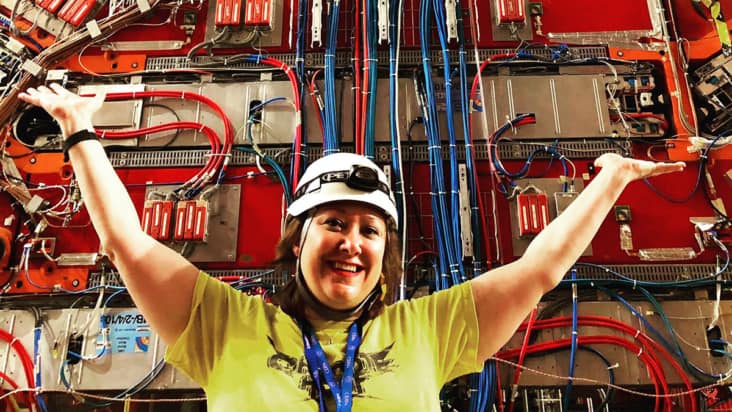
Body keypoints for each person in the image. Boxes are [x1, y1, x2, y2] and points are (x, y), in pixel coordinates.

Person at [18, 84, 685, 411]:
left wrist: (611, 181)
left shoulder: (428, 330)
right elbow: (125, 243)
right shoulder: (224, 325)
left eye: (370, 230)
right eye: (333, 222)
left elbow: (539, 270)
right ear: (299, 237)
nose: (352, 243)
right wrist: (80, 131)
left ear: (386, 257)